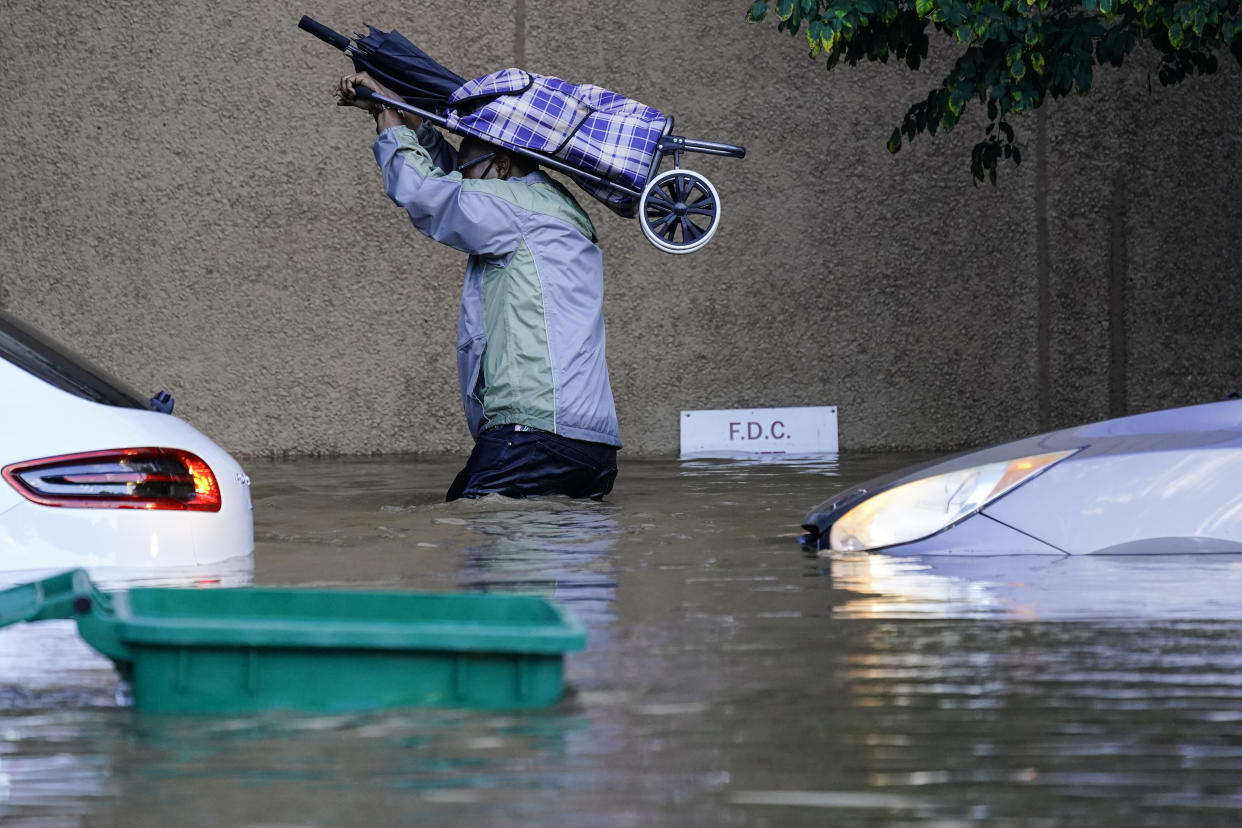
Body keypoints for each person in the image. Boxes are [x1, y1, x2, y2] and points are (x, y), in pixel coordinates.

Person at [334, 72, 621, 501]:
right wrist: (400, 113)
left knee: (476, 543)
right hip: (589, 447)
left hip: (533, 434)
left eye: (472, 170)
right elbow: (459, 178)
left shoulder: (516, 211)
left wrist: (390, 124)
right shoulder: (547, 205)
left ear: (503, 165)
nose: (466, 179)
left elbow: (429, 192)